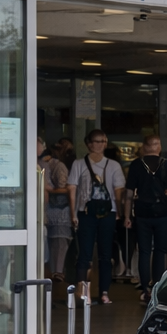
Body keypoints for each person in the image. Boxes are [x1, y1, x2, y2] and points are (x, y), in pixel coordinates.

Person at [68, 130, 126, 304]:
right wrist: (73, 213)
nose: (100, 144)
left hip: (108, 213)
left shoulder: (114, 165)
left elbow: (119, 191)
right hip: (85, 212)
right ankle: (82, 293)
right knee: (84, 255)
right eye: (96, 141)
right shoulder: (79, 164)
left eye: (103, 141)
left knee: (105, 255)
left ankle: (104, 292)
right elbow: (72, 189)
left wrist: (121, 213)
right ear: (89, 143)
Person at [124, 135, 167, 303]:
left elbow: (128, 194)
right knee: (160, 251)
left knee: (144, 251)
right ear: (158, 147)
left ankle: (145, 289)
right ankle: (157, 286)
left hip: (142, 213)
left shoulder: (135, 165)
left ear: (144, 147)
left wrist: (127, 216)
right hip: (162, 212)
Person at [39, 136, 74, 283]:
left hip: (57, 208)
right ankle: (56, 271)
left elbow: (64, 188)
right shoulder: (56, 165)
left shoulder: (55, 165)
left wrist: (48, 190)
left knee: (56, 242)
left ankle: (56, 271)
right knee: (57, 242)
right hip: (58, 209)